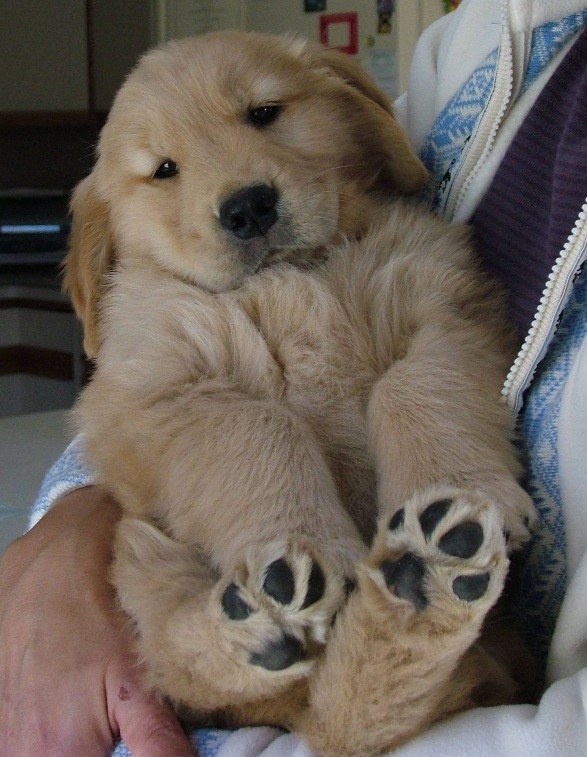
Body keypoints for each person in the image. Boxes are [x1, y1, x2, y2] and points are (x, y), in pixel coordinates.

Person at [1, 0, 586, 754]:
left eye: (264, 113)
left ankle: (396, 639)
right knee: (162, 581)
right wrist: (70, 522)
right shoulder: (499, 33)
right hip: (216, 667)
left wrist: (444, 455)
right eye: (164, 171)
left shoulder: (401, 240)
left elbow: (453, 324)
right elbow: (127, 420)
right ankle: (262, 637)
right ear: (105, 237)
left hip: (464, 694)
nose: (236, 187)